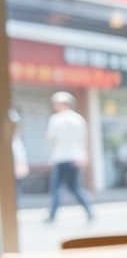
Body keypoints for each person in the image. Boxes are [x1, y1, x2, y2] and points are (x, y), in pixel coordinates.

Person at [45, 91, 94, 223]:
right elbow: (84, 139)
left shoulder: (55, 119)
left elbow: (50, 137)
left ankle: (52, 216)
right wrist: (84, 156)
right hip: (75, 158)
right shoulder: (78, 119)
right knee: (75, 188)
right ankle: (89, 212)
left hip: (60, 158)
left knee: (57, 188)